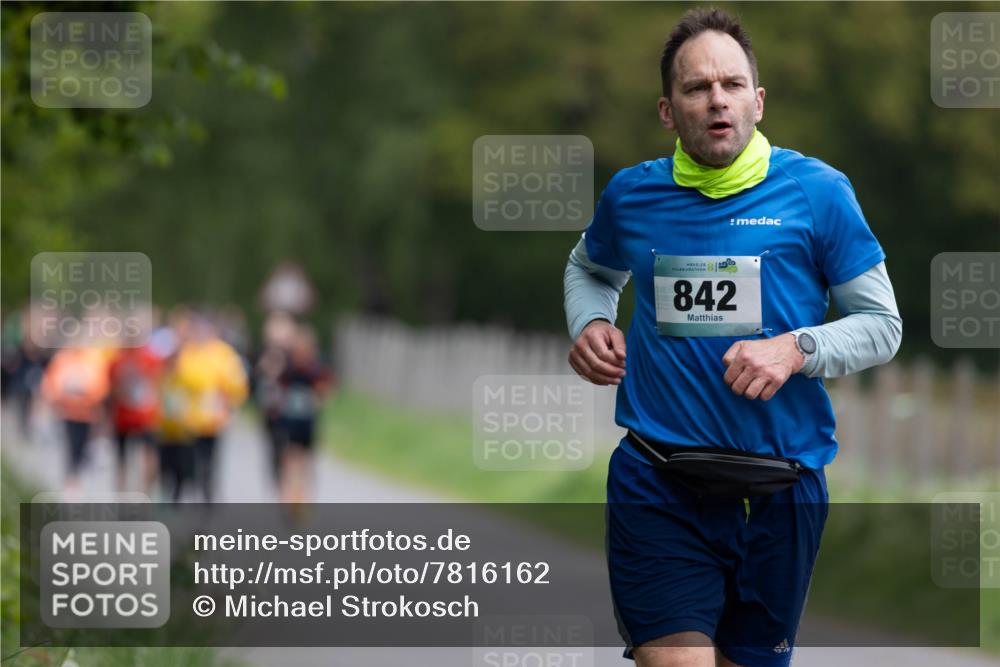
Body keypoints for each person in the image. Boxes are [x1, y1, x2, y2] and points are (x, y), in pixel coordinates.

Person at [562, 9, 901, 667]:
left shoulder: (819, 193)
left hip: (783, 488)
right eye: (697, 87)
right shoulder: (632, 197)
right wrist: (592, 321)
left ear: (758, 98)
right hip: (659, 478)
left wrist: (796, 347)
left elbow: (882, 325)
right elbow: (589, 267)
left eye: (732, 83)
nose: (717, 98)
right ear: (668, 109)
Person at [173, 313, 248, 501]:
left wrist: (232, 408)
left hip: (214, 418)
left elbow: (236, 384)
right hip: (188, 418)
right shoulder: (187, 352)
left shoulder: (223, 354)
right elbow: (176, 382)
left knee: (209, 461)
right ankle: (186, 491)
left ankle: (207, 496)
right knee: (187, 460)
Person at [40, 343, 111, 493]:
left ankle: (78, 473)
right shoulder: (63, 359)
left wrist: (88, 397)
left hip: (87, 414)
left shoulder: (91, 361)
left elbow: (101, 386)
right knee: (71, 445)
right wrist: (59, 399)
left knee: (82, 445)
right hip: (67, 413)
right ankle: (71, 478)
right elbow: (51, 383)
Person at [275, 325, 332, 503]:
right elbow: (277, 390)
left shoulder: (315, 370)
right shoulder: (288, 370)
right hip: (290, 420)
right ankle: (288, 494)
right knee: (290, 457)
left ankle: (303, 495)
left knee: (305, 460)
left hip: (307, 421)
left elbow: (325, 390)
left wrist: (319, 396)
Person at [107, 341, 163, 493]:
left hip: (144, 416)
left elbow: (158, 384)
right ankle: (124, 496)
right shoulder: (117, 360)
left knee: (147, 457)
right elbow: (112, 390)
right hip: (124, 416)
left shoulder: (150, 358)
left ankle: (144, 493)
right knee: (123, 459)